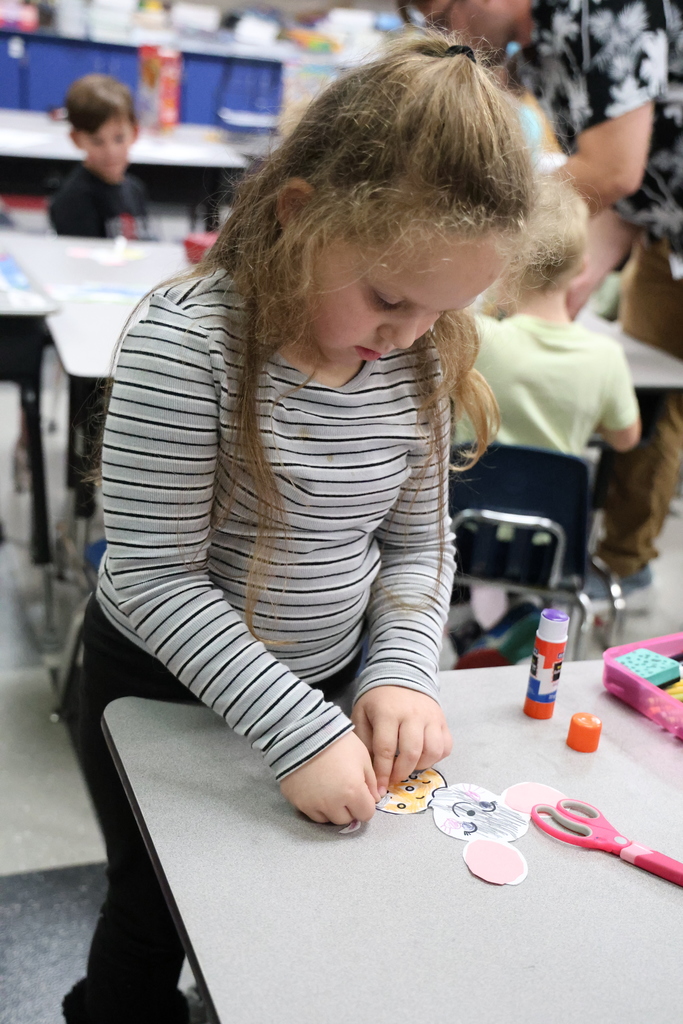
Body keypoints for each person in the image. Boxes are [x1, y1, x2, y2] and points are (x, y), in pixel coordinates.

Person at [61, 33, 536, 1024]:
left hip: (325, 684)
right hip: (156, 696)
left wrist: (399, 666)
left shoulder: (416, 356)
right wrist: (296, 729)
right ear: (297, 215)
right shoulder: (186, 345)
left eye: (441, 310)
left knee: (277, 913)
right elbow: (151, 578)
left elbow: (414, 543)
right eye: (389, 297)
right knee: (154, 913)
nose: (408, 332)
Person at [405, 0, 681, 602]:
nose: (443, 31)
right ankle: (620, 563)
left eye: (442, 10)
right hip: (658, 228)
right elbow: (626, 172)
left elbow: (610, 171)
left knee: (669, 396)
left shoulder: (604, 10)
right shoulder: (537, 48)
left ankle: (624, 559)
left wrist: (487, 236)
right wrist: (571, 263)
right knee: (658, 399)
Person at [468, 182, 641, 456]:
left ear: (508, 260)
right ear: (582, 267)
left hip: (469, 497)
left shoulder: (475, 338)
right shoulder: (606, 358)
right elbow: (626, 440)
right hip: (556, 498)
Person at [50, 74, 148, 239]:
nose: (110, 152)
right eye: (97, 141)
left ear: (135, 132)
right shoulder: (72, 201)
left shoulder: (136, 190)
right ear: (76, 139)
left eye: (119, 138)